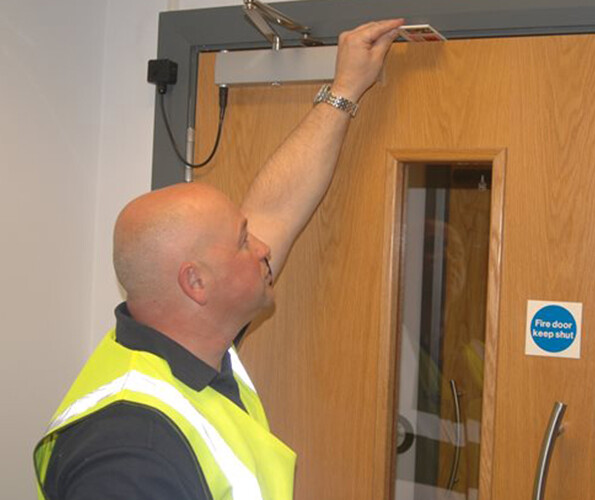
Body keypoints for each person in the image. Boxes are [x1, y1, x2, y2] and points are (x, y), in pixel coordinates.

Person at [33, 18, 405, 500]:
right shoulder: (128, 452)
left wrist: (345, 88)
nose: (263, 247)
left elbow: (275, 209)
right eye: (243, 242)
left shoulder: (195, 344)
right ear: (196, 284)